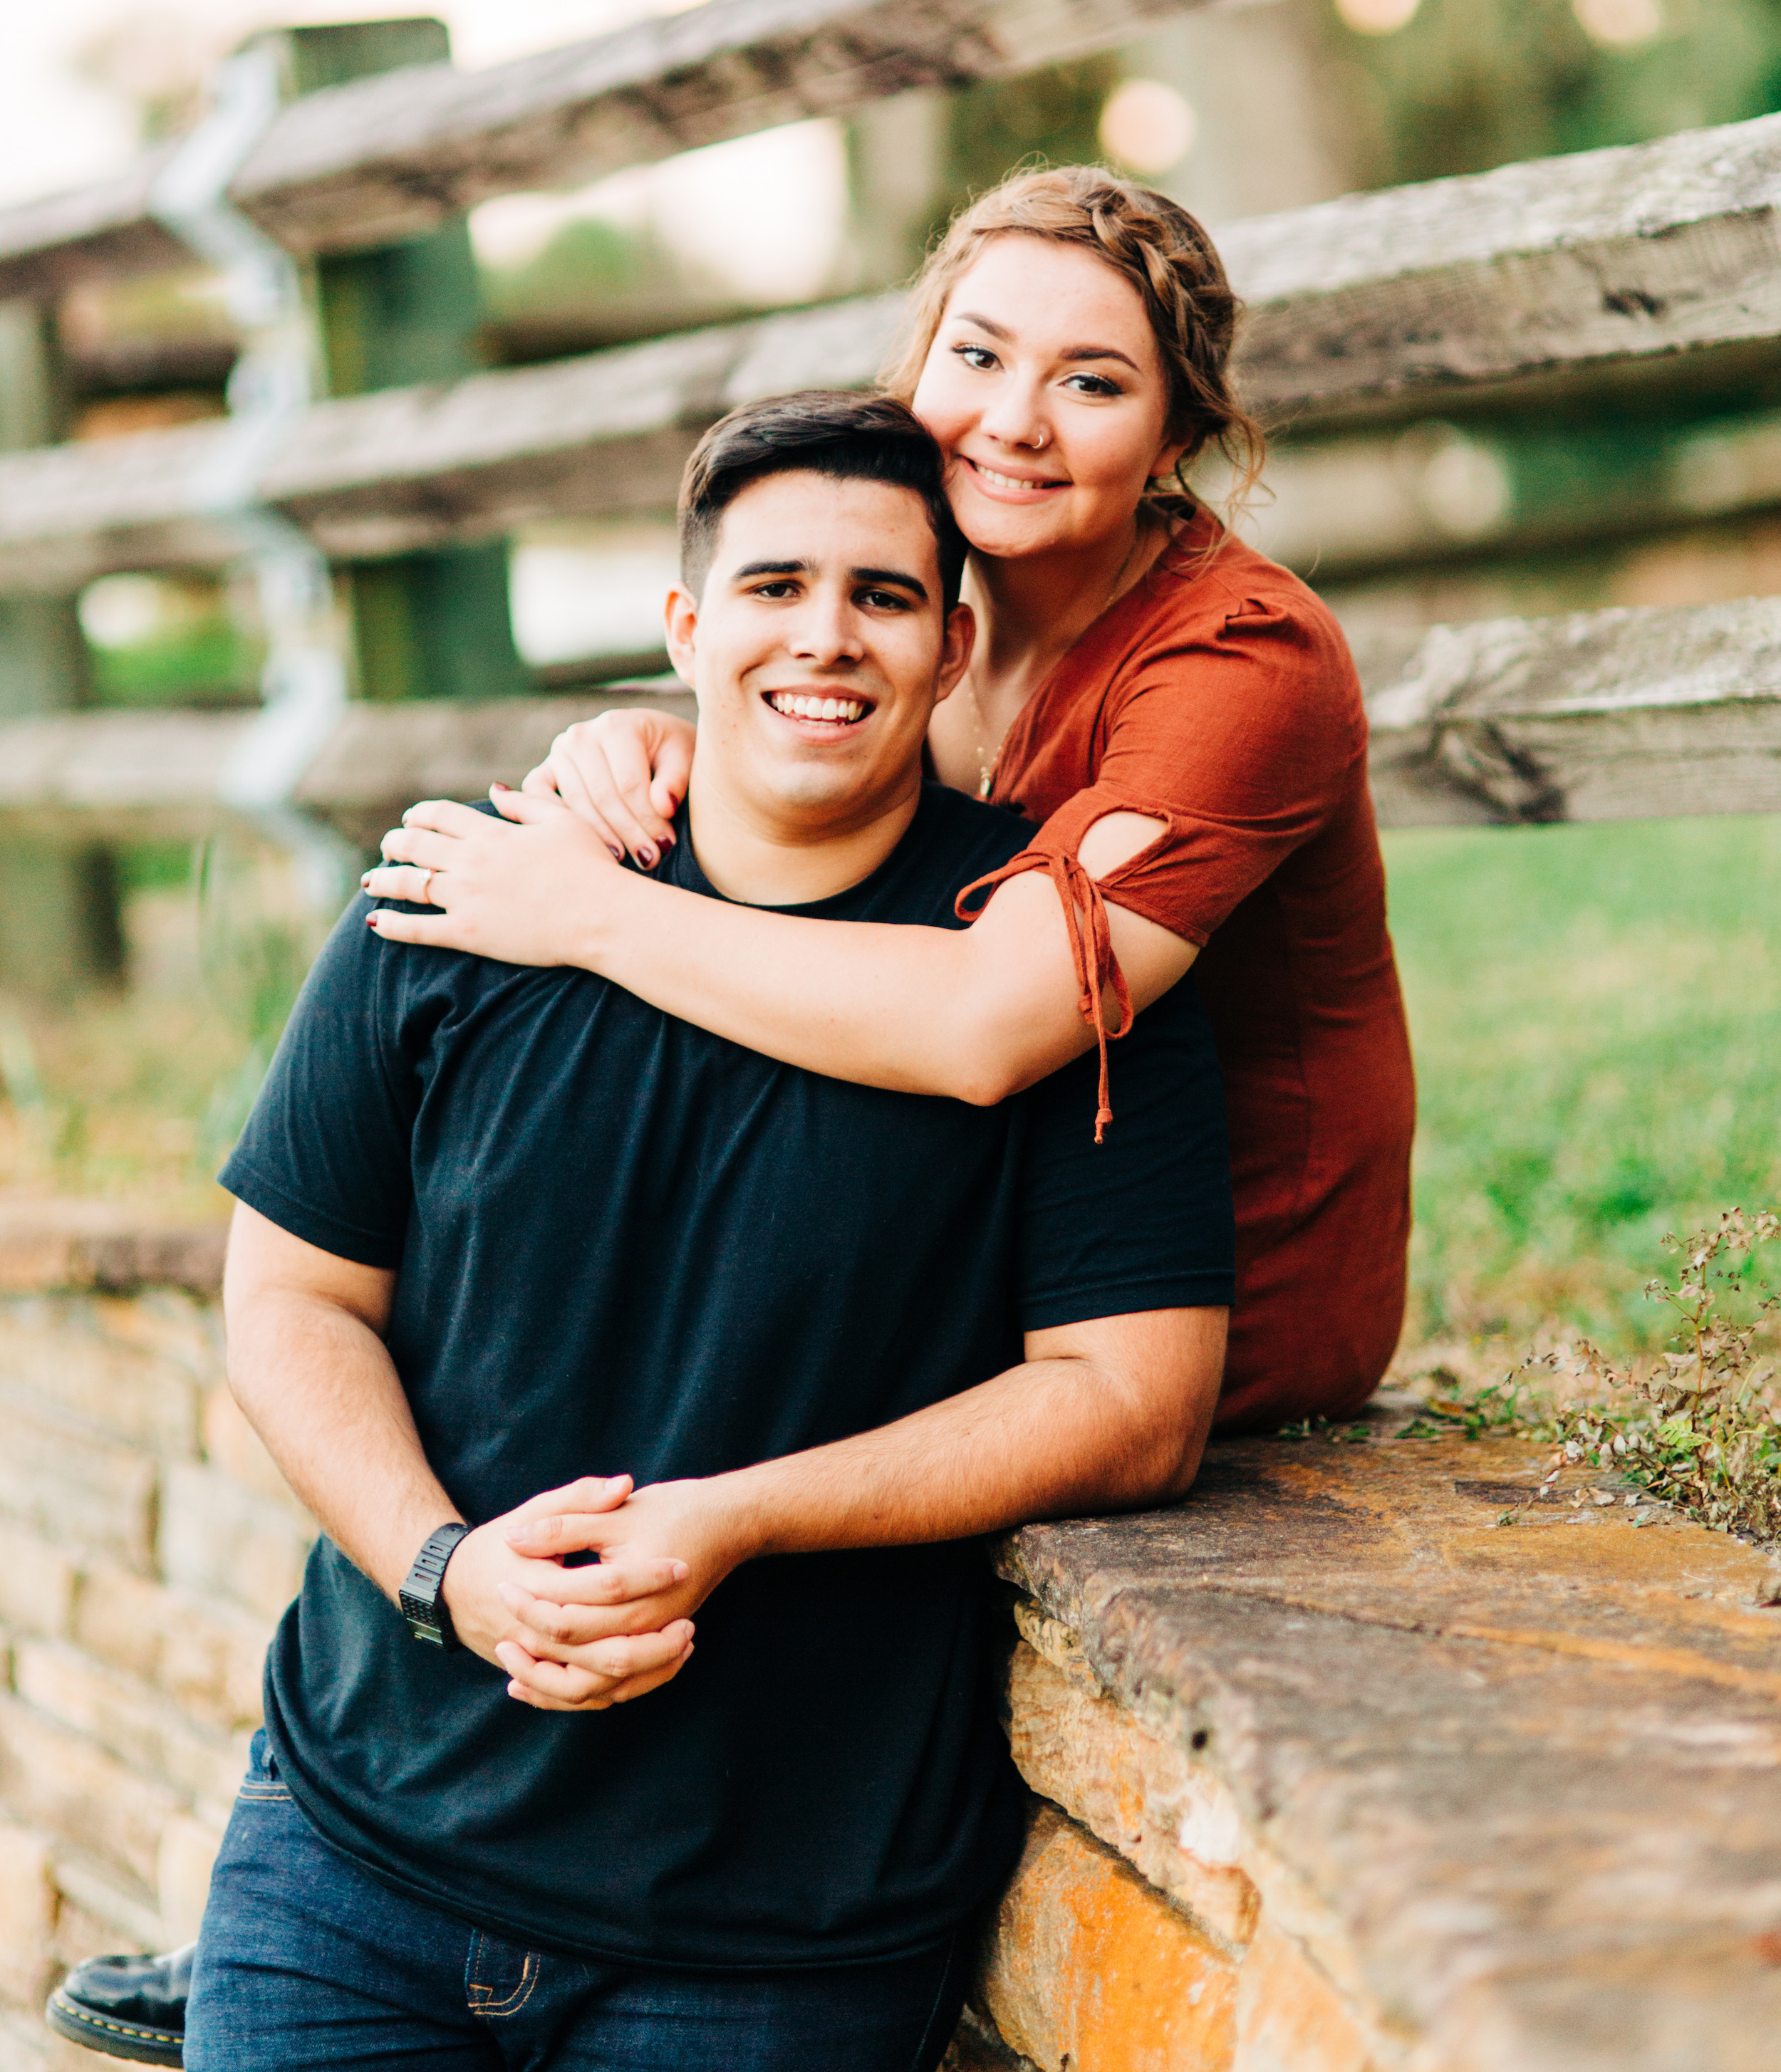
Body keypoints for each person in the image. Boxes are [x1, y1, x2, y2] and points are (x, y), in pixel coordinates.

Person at [56, 392, 1232, 2072]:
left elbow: (1136, 1398)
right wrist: (439, 1568)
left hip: (769, 1939)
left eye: (881, 596)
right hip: (351, 1873)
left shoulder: (1038, 969)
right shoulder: (463, 899)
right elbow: (291, 1293)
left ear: (954, 643)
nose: (821, 636)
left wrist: (739, 1518)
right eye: (770, 586)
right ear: (682, 627)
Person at [355, 165, 1416, 1435]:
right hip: (942, 1263)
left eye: (1091, 383)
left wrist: (583, 912)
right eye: (978, 356)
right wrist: (678, 732)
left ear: (1175, 441)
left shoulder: (1242, 663)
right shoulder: (925, 620)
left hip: (1178, 1323)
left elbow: (984, 1024)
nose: (1015, 421)